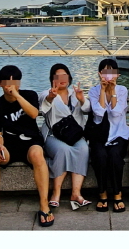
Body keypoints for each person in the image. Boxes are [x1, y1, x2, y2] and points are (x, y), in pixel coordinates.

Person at [0, 65, 54, 227]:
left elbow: (33, 114)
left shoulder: (29, 95)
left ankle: (44, 205)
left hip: (31, 142)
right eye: (6, 82)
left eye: (15, 82)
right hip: (9, 144)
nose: (10, 86)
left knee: (37, 154)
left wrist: (17, 95)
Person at [39, 63, 92, 210]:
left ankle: (76, 193)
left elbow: (88, 109)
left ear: (69, 77)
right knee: (63, 150)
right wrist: (50, 97)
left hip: (74, 135)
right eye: (57, 76)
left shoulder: (75, 93)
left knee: (83, 149)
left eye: (64, 75)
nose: (62, 79)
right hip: (54, 136)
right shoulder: (46, 93)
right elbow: (43, 108)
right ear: (52, 79)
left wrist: (82, 99)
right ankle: (56, 193)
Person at [87, 59, 129, 213]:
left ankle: (117, 193)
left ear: (117, 74)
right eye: (105, 72)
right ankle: (102, 193)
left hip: (119, 133)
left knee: (114, 156)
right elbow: (99, 113)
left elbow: (116, 112)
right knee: (99, 156)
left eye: (112, 72)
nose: (108, 75)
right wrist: (102, 90)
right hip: (99, 134)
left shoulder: (122, 90)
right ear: (100, 74)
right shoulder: (93, 91)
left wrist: (112, 91)